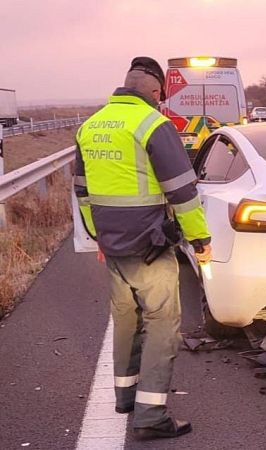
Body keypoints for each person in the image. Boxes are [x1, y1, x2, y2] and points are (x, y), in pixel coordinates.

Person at [73, 57, 211, 440]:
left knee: (127, 322)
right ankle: (151, 416)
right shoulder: (153, 124)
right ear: (154, 92)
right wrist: (199, 238)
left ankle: (127, 397)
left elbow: (82, 191)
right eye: (160, 96)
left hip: (114, 246)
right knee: (162, 325)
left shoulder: (90, 125)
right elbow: (183, 190)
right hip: (149, 244)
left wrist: (98, 235)